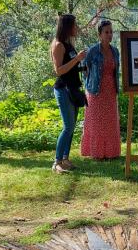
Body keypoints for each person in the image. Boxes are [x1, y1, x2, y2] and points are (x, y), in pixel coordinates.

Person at [50, 14, 87, 174]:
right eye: (74, 25)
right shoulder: (59, 45)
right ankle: (57, 162)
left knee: (71, 128)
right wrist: (77, 59)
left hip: (72, 89)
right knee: (68, 126)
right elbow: (59, 71)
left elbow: (71, 68)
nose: (76, 28)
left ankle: (65, 159)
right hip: (63, 89)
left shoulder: (68, 44)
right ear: (67, 27)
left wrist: (83, 66)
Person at [81, 20, 121, 159]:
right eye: (106, 32)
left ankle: (111, 153)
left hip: (111, 90)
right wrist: (89, 85)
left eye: (111, 32)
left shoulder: (115, 51)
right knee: (96, 122)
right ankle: (97, 153)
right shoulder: (92, 51)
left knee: (110, 122)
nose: (110, 34)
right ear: (100, 35)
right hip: (95, 91)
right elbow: (84, 70)